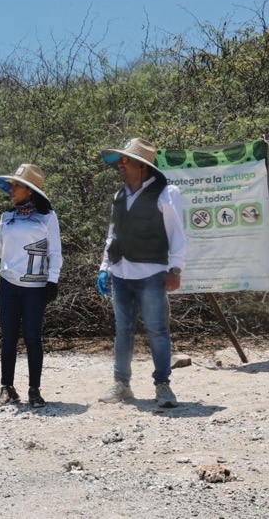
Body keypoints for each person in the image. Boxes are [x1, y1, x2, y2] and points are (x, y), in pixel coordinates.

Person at [95, 138, 186, 408]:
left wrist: (176, 269)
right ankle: (122, 384)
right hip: (121, 272)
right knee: (122, 331)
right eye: (120, 161)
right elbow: (113, 234)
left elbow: (177, 235)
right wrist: (104, 268)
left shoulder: (167, 193)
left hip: (151, 273)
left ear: (142, 165)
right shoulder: (119, 195)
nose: (120, 166)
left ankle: (163, 385)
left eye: (126, 160)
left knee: (157, 331)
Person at [0, 164, 63, 408]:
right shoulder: (6, 217)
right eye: (10, 185)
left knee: (32, 337)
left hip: (35, 286)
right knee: (8, 337)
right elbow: (1, 253)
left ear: (29, 190)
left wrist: (53, 280)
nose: (11, 189)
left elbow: (55, 252)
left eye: (16, 185)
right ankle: (7, 388)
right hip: (8, 283)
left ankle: (34, 390)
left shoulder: (47, 217)